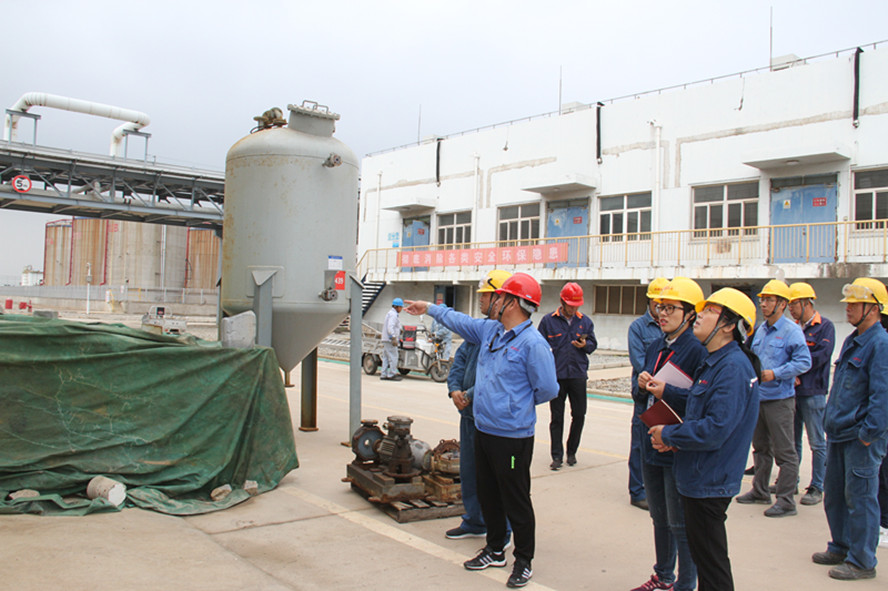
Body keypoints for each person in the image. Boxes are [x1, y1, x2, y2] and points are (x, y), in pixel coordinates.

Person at [403, 272, 558, 589]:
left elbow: (547, 389)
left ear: (511, 302)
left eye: (497, 296)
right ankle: (495, 549)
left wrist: (512, 406)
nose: (492, 301)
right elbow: (458, 321)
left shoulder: (533, 344)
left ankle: (523, 561)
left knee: (515, 497)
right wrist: (429, 308)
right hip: (484, 430)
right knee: (489, 494)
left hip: (513, 439)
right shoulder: (490, 331)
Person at [649, 287, 761, 591]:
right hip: (700, 474)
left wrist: (669, 433)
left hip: (709, 479)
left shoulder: (733, 367)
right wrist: (668, 398)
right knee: (706, 557)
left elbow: (715, 428)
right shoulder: (716, 361)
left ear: (729, 325)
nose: (699, 315)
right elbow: (700, 406)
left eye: (710, 311)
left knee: (712, 566)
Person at [632, 278, 707, 591]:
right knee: (659, 517)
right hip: (651, 438)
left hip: (676, 445)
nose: (662, 314)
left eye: (670, 308)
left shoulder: (698, 351)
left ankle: (685, 584)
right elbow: (642, 397)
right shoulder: (656, 346)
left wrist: (668, 391)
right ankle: (663, 576)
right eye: (660, 307)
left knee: (680, 522)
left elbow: (702, 402)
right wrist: (642, 386)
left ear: (689, 314)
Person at [812, 277, 888, 581]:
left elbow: (882, 396)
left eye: (856, 304)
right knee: (835, 495)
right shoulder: (854, 340)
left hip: (860, 437)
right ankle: (841, 546)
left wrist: (869, 435)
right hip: (840, 433)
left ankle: (862, 561)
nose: (849, 308)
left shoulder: (881, 344)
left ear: (874, 308)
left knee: (861, 499)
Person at [444, 269, 512, 541]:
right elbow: (459, 361)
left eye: (484, 294)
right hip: (469, 416)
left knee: (498, 478)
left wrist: (470, 394)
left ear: (499, 298)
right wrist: (454, 390)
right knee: (470, 473)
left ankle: (503, 529)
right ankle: (474, 521)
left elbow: (498, 375)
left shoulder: (508, 335)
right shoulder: (478, 330)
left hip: (493, 421)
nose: (480, 299)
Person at [737, 279, 811, 517]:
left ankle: (786, 500)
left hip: (780, 400)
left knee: (785, 452)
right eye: (762, 300)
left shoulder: (792, 331)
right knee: (760, 448)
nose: (763, 304)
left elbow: (804, 362)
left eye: (769, 300)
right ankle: (760, 491)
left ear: (782, 304)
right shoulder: (760, 330)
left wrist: (776, 373)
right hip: (759, 398)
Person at [538, 282, 597, 470]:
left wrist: (585, 346)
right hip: (556, 376)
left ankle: (572, 452)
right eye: (571, 305)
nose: (573, 309)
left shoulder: (585, 322)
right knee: (557, 417)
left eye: (576, 306)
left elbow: (593, 345)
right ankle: (557, 456)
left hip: (578, 374)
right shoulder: (548, 321)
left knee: (579, 414)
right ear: (562, 302)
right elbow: (539, 347)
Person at [787, 282, 835, 506]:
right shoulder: (792, 327)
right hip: (793, 390)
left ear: (806, 303)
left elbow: (821, 356)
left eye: (794, 304)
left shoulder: (825, 327)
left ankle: (817, 486)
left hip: (813, 391)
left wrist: (796, 370)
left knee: (817, 441)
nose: (790, 309)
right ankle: (791, 481)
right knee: (793, 440)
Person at [628, 277, 670, 510]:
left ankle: (656, 488)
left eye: (666, 305)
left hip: (666, 394)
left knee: (661, 440)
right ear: (650, 301)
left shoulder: (670, 326)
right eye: (658, 304)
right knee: (640, 443)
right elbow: (641, 363)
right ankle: (637, 491)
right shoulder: (638, 328)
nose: (661, 309)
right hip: (645, 394)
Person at [380, 297, 404, 381]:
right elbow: (390, 327)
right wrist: (393, 337)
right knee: (394, 356)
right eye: (401, 307)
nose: (401, 309)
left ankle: (383, 374)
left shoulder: (390, 313)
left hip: (386, 339)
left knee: (386, 357)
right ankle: (392, 374)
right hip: (390, 339)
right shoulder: (393, 315)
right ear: (397, 307)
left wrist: (399, 330)